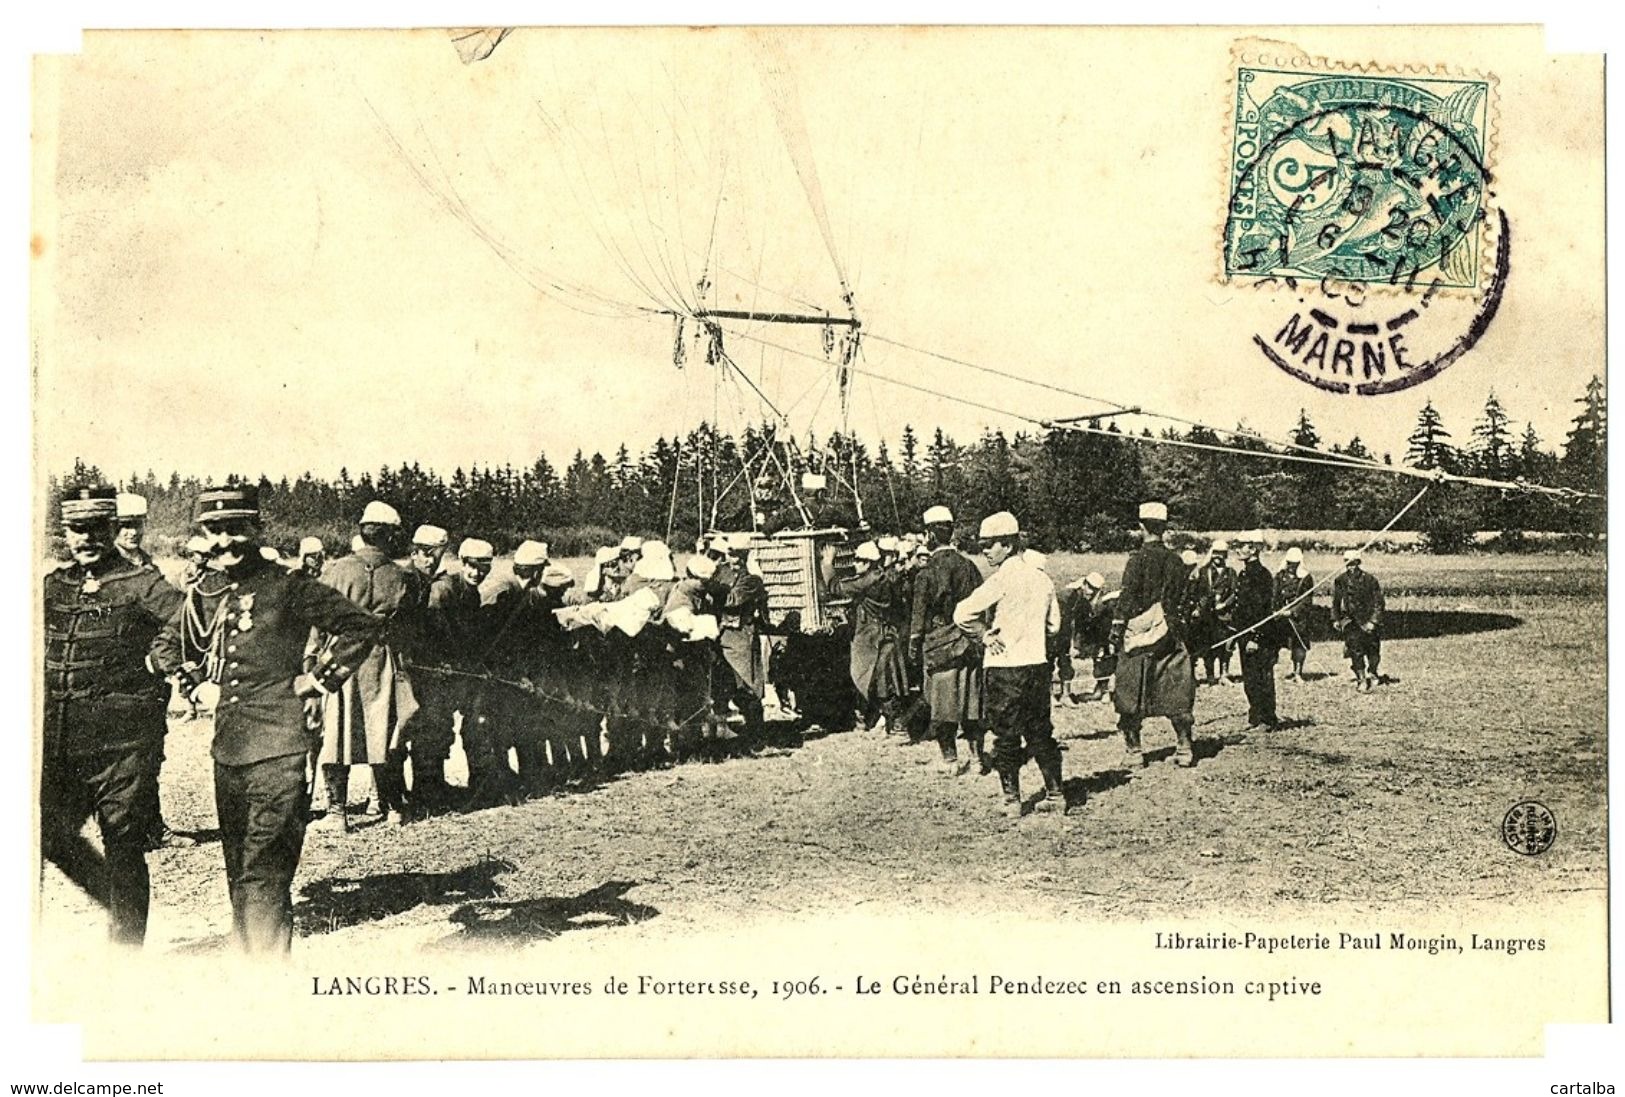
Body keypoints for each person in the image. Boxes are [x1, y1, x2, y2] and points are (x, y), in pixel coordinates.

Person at [152, 485, 380, 956]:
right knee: (239, 870)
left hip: (280, 749)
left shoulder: (289, 587)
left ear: (256, 530)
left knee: (264, 873)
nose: (225, 541)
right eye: (214, 531)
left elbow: (361, 626)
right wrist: (193, 681)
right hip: (229, 752)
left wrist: (317, 681)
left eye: (235, 530)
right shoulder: (207, 591)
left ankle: (266, 985)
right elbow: (169, 643)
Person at [42, 485, 184, 946]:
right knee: (50, 837)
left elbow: (189, 618)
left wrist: (158, 658)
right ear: (65, 532)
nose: (85, 539)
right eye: (76, 529)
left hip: (122, 745)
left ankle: (126, 954)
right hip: (60, 742)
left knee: (122, 844)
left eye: (95, 529)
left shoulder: (141, 582)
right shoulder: (54, 585)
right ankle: (121, 906)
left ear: (110, 529)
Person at [311, 501, 420, 830]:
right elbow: (409, 625)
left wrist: (314, 655)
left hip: (340, 659)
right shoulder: (401, 576)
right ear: (390, 536)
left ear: (362, 531)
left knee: (337, 732)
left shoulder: (338, 569)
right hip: (381, 658)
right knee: (383, 731)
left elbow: (319, 619)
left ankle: (336, 813)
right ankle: (390, 808)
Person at [952, 512, 1066, 816]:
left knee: (1006, 734)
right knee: (1040, 731)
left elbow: (962, 613)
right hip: (1036, 665)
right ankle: (1056, 794)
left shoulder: (1000, 580)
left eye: (990, 545)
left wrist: (983, 636)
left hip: (1004, 668)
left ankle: (1011, 800)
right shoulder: (1042, 579)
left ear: (1008, 544)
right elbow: (1054, 626)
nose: (985, 551)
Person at [1111, 502, 1198, 768]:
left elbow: (1127, 596)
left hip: (1138, 636)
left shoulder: (1137, 560)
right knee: (1177, 691)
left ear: (1141, 527)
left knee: (1129, 693)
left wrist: (1116, 629)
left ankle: (1134, 752)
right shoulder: (1176, 560)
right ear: (1164, 528)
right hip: (1170, 634)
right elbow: (1185, 597)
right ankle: (1184, 747)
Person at [909, 505, 987, 773]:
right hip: (969, 642)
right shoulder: (970, 567)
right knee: (972, 703)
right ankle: (977, 759)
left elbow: (919, 615)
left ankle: (950, 761)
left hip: (940, 645)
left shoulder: (927, 572)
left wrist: (914, 643)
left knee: (943, 706)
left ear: (929, 535)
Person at [823, 540, 909, 736]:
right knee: (883, 677)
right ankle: (885, 721)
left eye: (859, 561)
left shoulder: (869, 580)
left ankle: (896, 723)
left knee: (874, 678)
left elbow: (836, 587)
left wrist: (828, 563)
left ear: (869, 562)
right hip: (885, 633)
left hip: (872, 636)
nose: (855, 564)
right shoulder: (885, 577)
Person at [710, 535, 769, 746]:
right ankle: (722, 729)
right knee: (721, 682)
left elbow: (732, 600)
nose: (733, 558)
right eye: (730, 553)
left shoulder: (752, 579)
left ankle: (755, 732)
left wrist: (710, 589)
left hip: (740, 634)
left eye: (737, 554)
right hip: (721, 633)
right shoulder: (721, 571)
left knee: (747, 682)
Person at [1232, 530, 1282, 730]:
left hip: (1260, 638)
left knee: (1262, 677)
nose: (1237, 549)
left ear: (1252, 549)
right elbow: (1242, 609)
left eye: (1241, 546)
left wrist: (1256, 637)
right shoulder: (1245, 573)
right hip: (1245, 635)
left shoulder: (1261, 575)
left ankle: (1268, 718)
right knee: (1250, 678)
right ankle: (1255, 716)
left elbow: (1262, 611)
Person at [1332, 549, 1385, 692]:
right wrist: (1336, 619)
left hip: (1368, 619)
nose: (1351, 567)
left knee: (1373, 650)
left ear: (1359, 563)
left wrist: (1373, 621)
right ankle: (1361, 679)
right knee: (1355, 650)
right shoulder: (1340, 580)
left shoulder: (1370, 580)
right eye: (1348, 564)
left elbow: (1378, 603)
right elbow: (1336, 602)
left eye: (1354, 564)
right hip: (1351, 621)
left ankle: (1373, 672)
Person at [1189, 540, 1238, 684]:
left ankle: (1224, 674)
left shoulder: (1230, 573)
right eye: (1216, 553)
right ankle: (1210, 674)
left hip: (1224, 615)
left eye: (1221, 554)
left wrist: (1224, 604)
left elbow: (1235, 592)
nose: (1218, 557)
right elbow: (1196, 592)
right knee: (1207, 645)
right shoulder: (1204, 572)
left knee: (1225, 646)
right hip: (1207, 615)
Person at [1067, 572, 1117, 703]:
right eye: (1086, 587)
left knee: (1105, 660)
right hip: (1091, 636)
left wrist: (1106, 644)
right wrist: (1078, 644)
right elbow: (1079, 623)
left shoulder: (1106, 604)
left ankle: (1104, 691)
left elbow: (1108, 626)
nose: (1087, 591)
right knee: (1097, 661)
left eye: (1092, 589)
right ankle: (1099, 689)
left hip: (1104, 637)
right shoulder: (1081, 602)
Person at [1274, 547, 1315, 679]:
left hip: (1298, 617)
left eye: (1295, 563)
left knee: (1299, 644)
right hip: (1280, 615)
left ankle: (1298, 672)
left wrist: (1292, 612)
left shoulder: (1305, 578)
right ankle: (1270, 670)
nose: (1292, 566)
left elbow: (1306, 600)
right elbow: (1274, 594)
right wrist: (1277, 610)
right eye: (1290, 563)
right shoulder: (1280, 576)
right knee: (1273, 642)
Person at [113, 492, 152, 568]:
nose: (134, 532)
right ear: (113, 528)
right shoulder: (107, 566)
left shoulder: (147, 561)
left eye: (138, 525)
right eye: (127, 526)